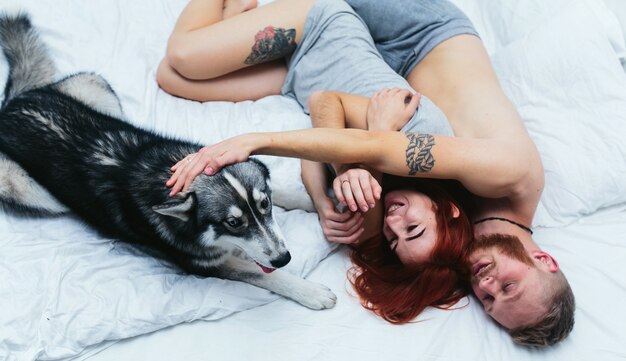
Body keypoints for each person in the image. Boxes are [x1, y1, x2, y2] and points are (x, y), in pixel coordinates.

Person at [157, 0, 575, 346]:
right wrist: (253, 142)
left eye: (488, 301)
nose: (487, 285)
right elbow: (379, 147)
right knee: (186, 57)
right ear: (544, 259)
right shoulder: (508, 175)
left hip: (375, 72)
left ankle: (243, 24)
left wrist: (326, 203)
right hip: (423, 34)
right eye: (509, 286)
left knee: (173, 80)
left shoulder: (456, 246)